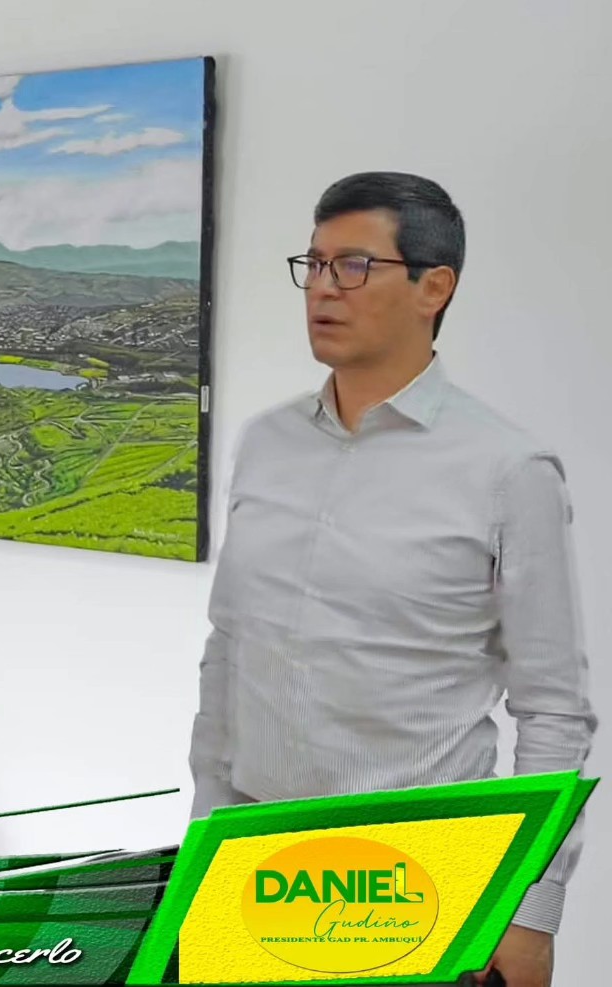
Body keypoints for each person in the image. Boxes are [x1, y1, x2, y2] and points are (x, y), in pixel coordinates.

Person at [189, 172, 595, 987]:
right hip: (257, 865)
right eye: (314, 263)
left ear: (433, 288)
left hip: (420, 876)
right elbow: (229, 651)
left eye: (353, 266)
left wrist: (531, 908)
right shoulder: (265, 443)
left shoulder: (508, 468)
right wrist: (204, 840)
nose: (322, 288)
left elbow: (554, 710)